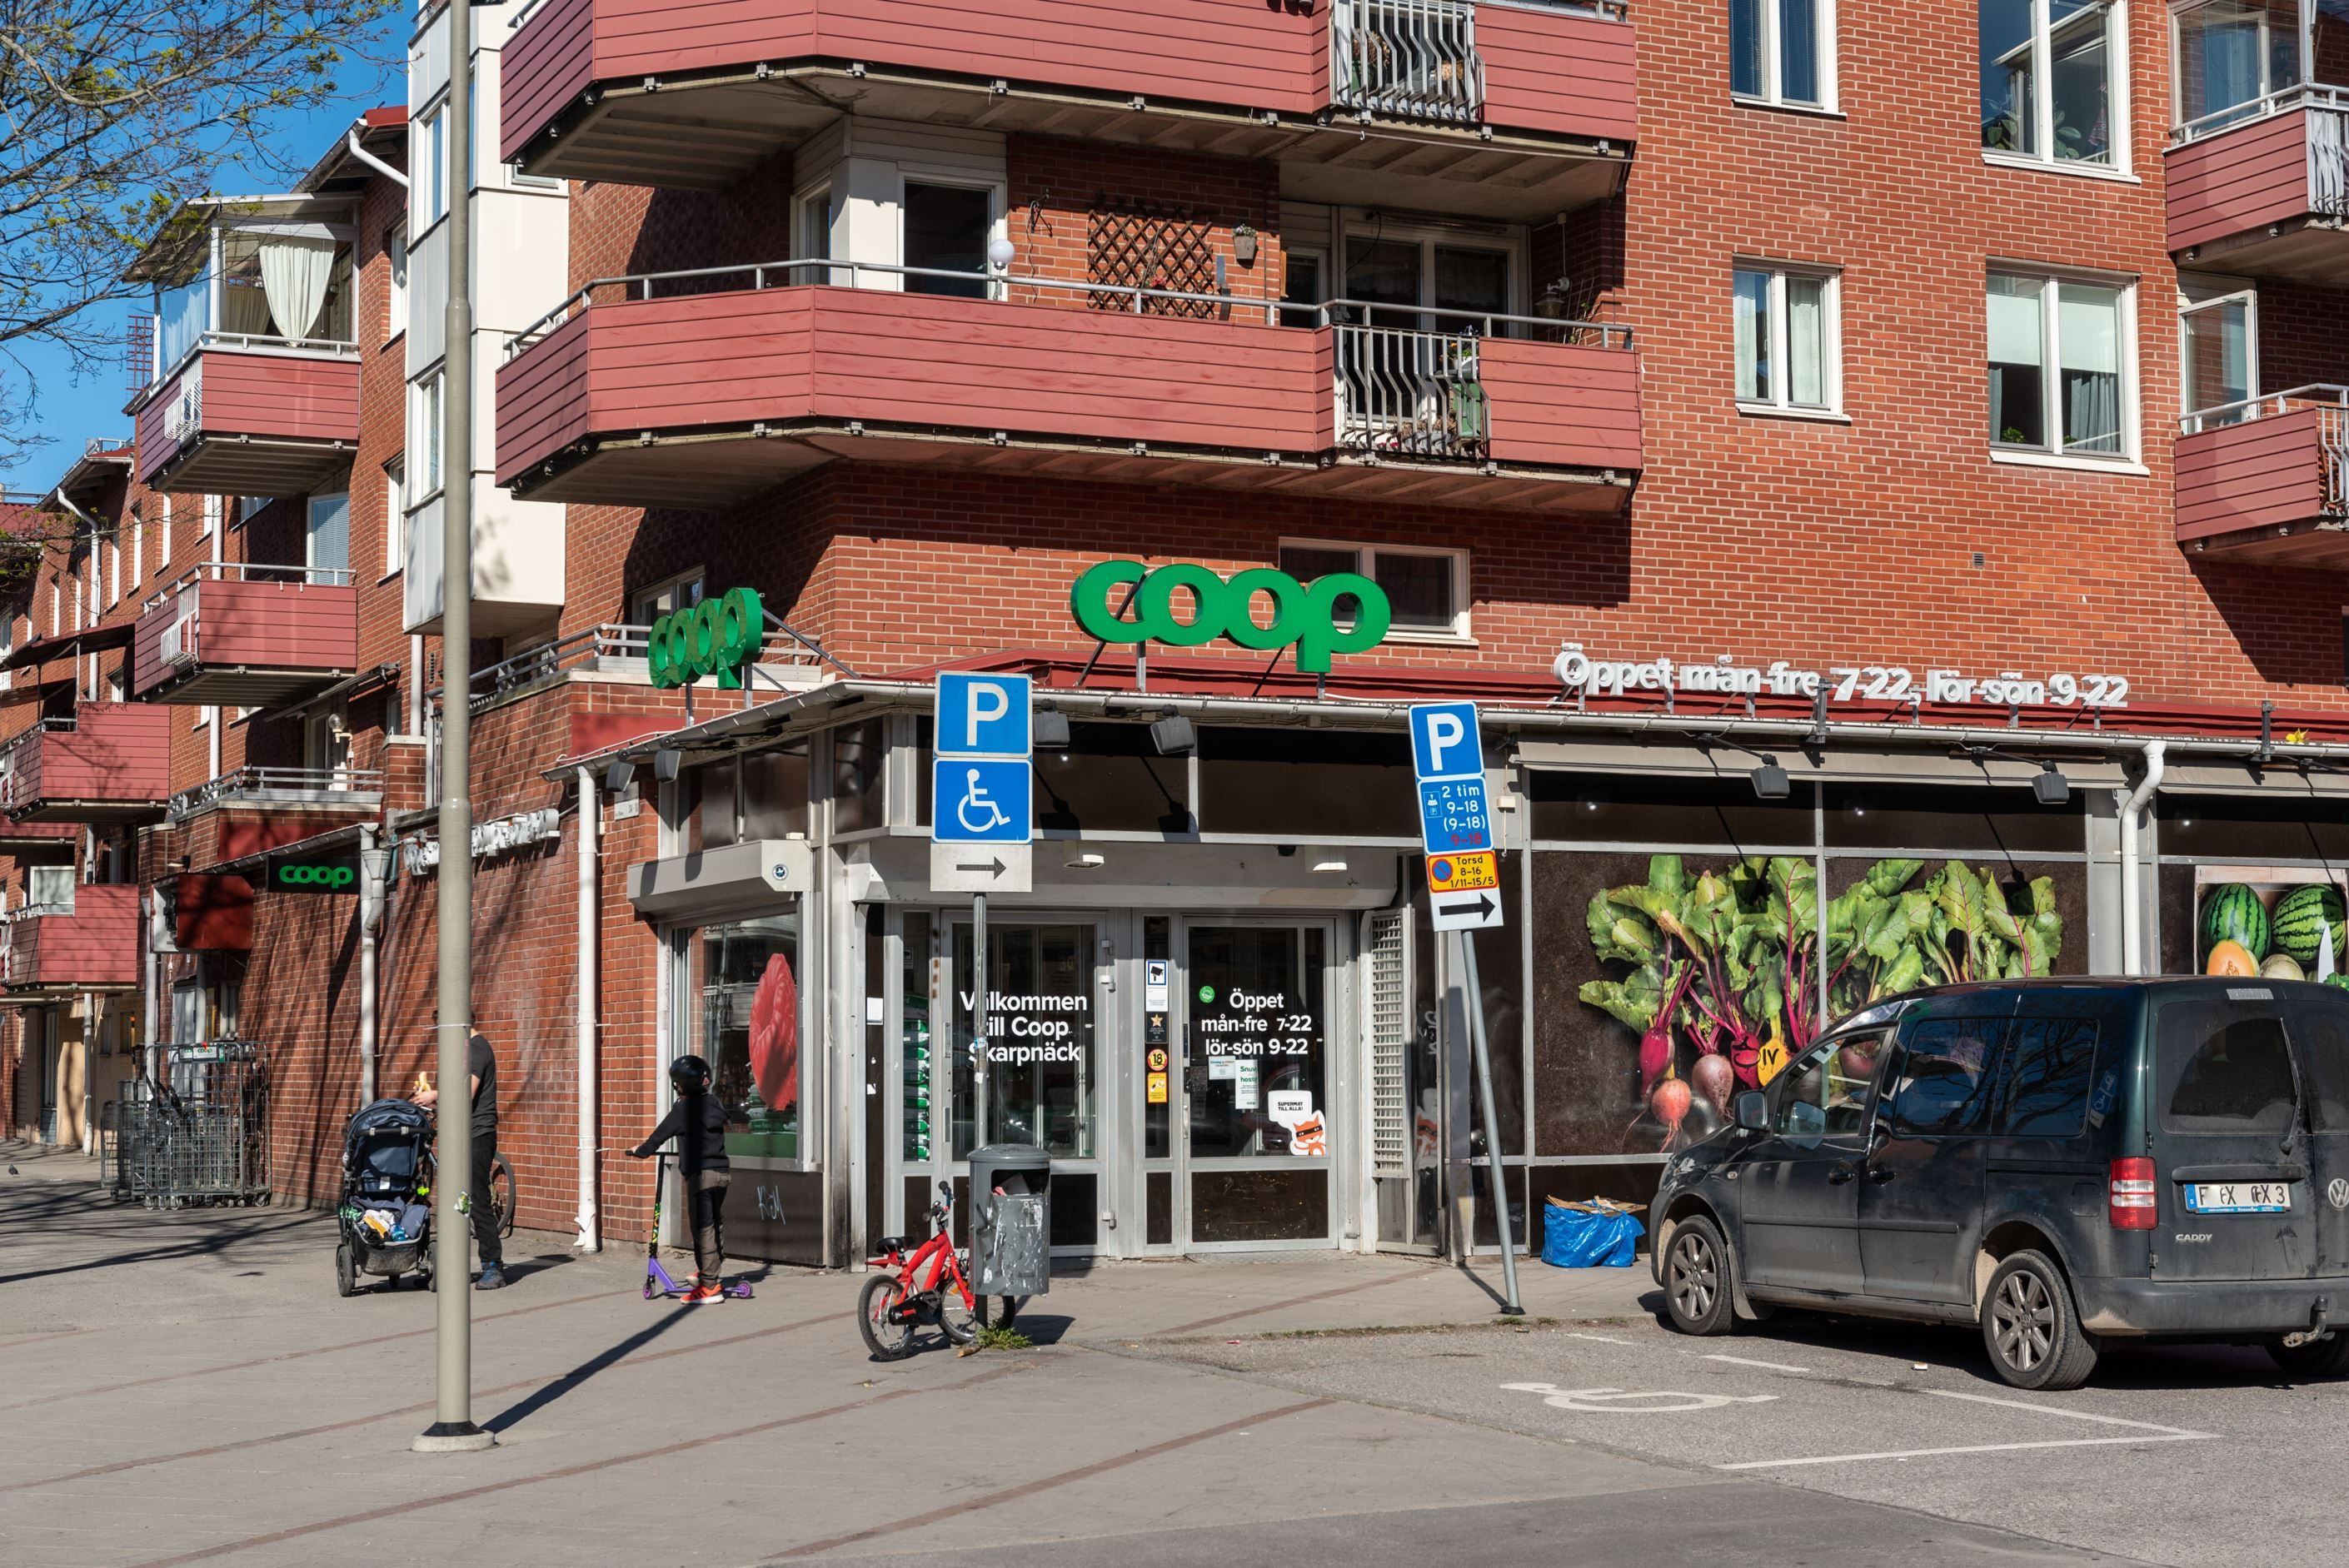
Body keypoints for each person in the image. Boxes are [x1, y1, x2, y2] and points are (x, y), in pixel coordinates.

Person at [629, 1054, 738, 1304]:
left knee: (703, 1228)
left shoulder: (684, 1110)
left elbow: (656, 1139)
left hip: (701, 1176)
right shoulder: (713, 1103)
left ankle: (710, 1287)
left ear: (680, 1085)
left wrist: (639, 1151)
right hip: (721, 1174)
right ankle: (708, 1270)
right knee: (714, 1224)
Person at [414, 1031, 505, 1291]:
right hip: (459, 1134)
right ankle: (454, 1267)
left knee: (477, 1199)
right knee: (457, 1203)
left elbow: (467, 1093)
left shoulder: (477, 1049)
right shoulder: (464, 1051)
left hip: (476, 1135)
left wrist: (435, 1094)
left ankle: (493, 1265)